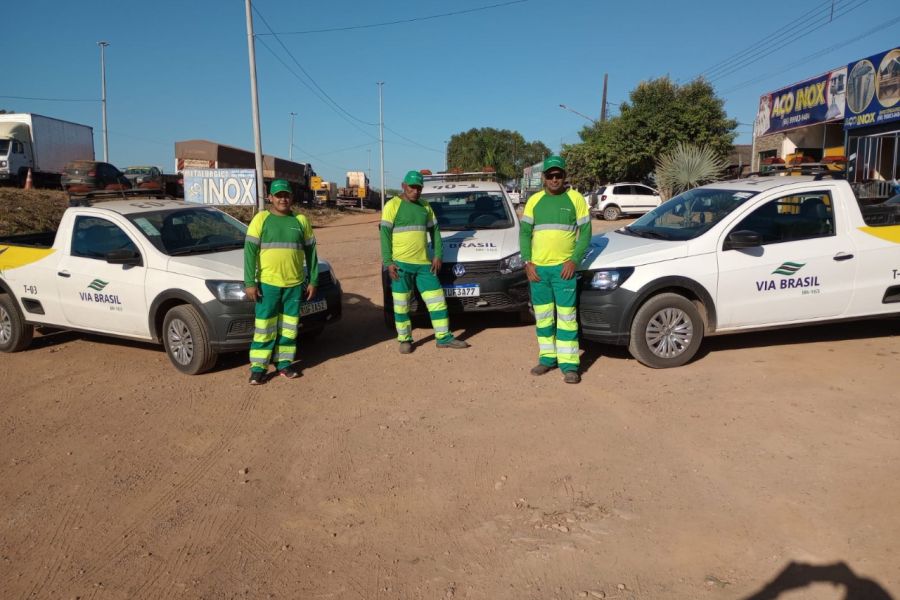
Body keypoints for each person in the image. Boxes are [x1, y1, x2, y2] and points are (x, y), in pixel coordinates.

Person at [380, 170, 470, 354]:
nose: (416, 191)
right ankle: (405, 339)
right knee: (401, 305)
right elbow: (385, 235)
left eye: (419, 187)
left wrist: (438, 255)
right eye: (412, 187)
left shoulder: (425, 206)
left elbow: (435, 230)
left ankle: (443, 337)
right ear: (403, 186)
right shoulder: (393, 205)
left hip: (424, 265)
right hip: (400, 266)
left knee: (437, 301)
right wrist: (388, 261)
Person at [519, 155, 591, 384]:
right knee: (543, 317)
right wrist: (527, 262)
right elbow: (524, 233)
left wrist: (574, 260)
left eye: (558, 175)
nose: (554, 179)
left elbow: (586, 232)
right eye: (550, 175)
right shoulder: (534, 201)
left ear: (564, 176)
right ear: (544, 178)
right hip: (538, 271)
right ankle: (548, 358)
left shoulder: (575, 199)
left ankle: (570, 365)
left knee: (567, 318)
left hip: (564, 271)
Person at [244, 179, 318, 384]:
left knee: (289, 328)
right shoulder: (261, 219)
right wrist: (249, 282)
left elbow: (312, 253)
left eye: (286, 195)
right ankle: (258, 367)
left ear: (291, 197)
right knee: (264, 328)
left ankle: (284, 364)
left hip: (294, 285)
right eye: (278, 195)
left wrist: (313, 280)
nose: (283, 199)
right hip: (268, 285)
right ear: (270, 198)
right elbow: (249, 253)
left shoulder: (301, 221)